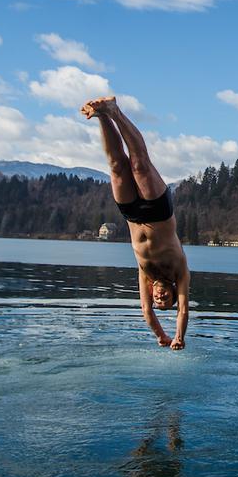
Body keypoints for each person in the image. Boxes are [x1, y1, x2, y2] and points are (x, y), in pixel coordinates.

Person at [81, 96, 190, 350]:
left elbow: (145, 311)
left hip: (131, 214)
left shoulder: (145, 277)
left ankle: (101, 115)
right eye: (166, 300)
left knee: (118, 166)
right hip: (158, 211)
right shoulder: (181, 271)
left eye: (158, 301)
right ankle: (115, 111)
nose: (160, 298)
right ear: (173, 292)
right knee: (139, 164)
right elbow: (183, 311)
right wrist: (178, 336)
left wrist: (160, 337)